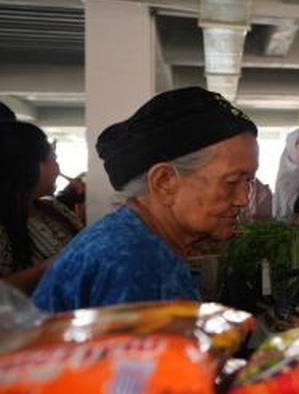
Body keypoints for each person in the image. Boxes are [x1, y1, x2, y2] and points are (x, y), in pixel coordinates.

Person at [33, 87, 258, 312]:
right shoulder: (131, 264)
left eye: (248, 181)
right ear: (164, 182)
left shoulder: (138, 241)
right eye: (231, 182)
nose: (244, 199)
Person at [1, 122, 82, 293]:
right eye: (54, 158)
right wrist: (48, 268)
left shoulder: (54, 208)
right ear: (27, 166)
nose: (58, 169)